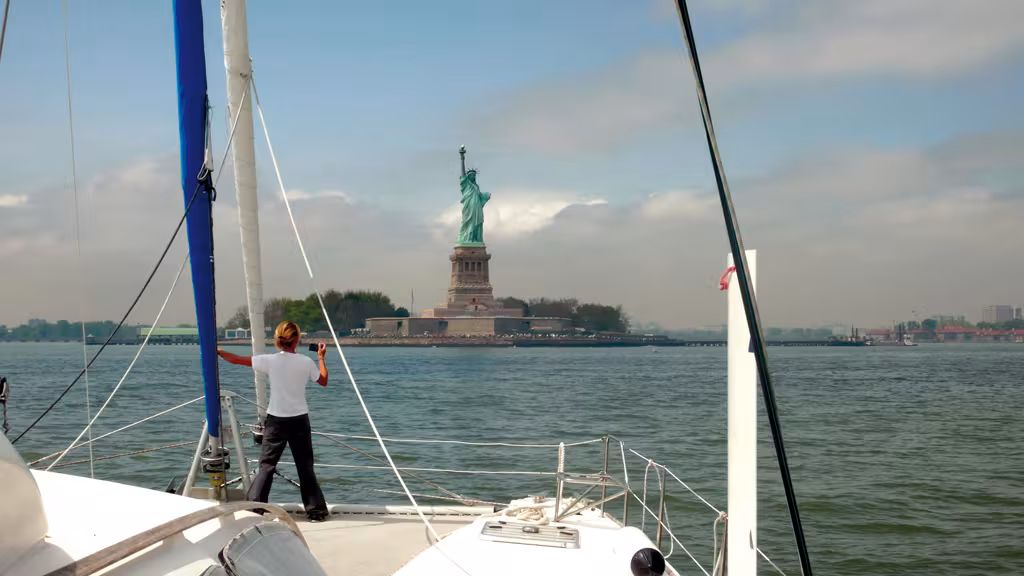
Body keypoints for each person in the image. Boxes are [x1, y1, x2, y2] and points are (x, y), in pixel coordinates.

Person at [217, 321, 330, 522]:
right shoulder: (306, 362)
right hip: (299, 420)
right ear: (296, 339)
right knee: (305, 467)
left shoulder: (269, 361)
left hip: (276, 421)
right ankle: (316, 512)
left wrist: (218, 351)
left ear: (278, 340)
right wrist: (321, 358)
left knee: (267, 466)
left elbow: (235, 359)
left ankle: (255, 508)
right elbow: (323, 380)